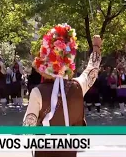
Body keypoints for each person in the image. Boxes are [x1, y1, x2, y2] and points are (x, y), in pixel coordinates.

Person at [23, 24, 102, 157]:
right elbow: (92, 71)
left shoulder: (37, 92)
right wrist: (96, 47)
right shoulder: (78, 86)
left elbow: (28, 129)